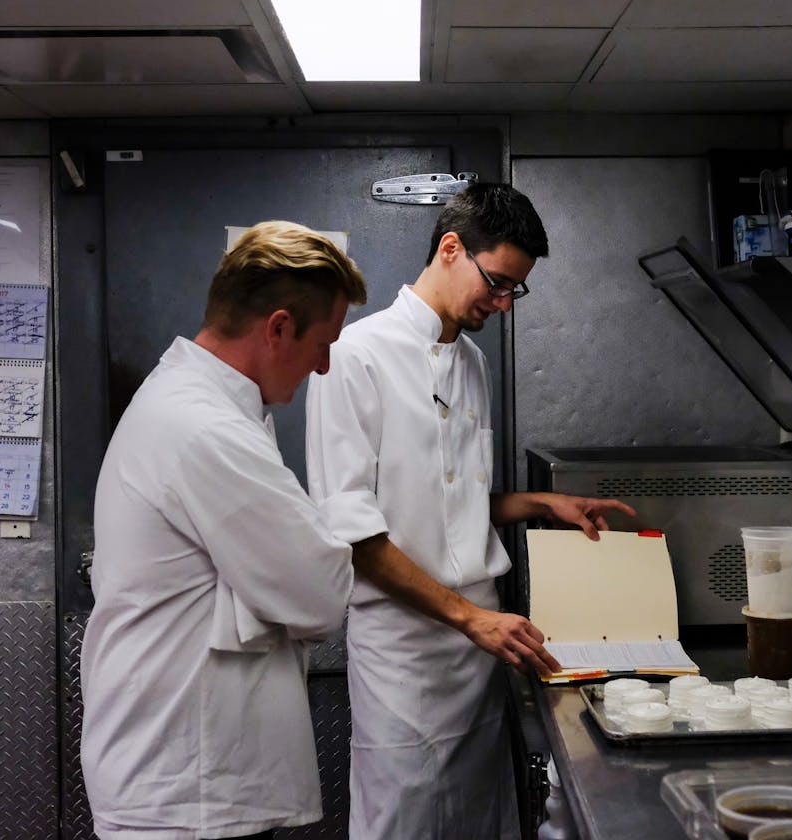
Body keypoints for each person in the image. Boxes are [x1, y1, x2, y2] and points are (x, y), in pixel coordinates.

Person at [305, 183, 635, 839]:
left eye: (517, 290)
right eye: (499, 282)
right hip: (407, 648)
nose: (505, 303)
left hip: (479, 646)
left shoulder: (474, 363)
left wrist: (542, 503)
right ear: (451, 248)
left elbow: (448, 502)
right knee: (406, 819)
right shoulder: (352, 358)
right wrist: (470, 618)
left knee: (481, 818)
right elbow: (354, 534)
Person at [80, 220, 369, 840]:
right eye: (324, 343)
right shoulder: (205, 428)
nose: (323, 367)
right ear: (279, 327)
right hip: (187, 788)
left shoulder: (203, 406)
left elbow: (293, 579)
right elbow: (319, 595)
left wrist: (270, 579)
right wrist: (293, 568)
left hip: (192, 778)